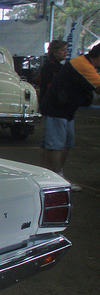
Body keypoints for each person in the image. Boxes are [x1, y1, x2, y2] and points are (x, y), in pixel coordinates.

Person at [39, 43, 100, 191]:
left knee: (65, 142)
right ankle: (57, 180)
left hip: (66, 109)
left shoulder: (84, 63)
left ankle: (47, 175)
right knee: (56, 145)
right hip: (57, 109)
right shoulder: (83, 65)